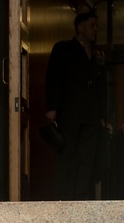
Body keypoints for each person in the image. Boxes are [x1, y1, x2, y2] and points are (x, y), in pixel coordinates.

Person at [45, 11, 108, 200]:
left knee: (87, 158)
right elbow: (54, 78)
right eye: (92, 25)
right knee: (68, 156)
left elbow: (101, 86)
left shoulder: (97, 54)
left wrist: (103, 115)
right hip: (69, 113)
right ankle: (64, 196)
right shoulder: (63, 49)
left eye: (97, 26)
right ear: (80, 27)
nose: (95, 30)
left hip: (91, 115)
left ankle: (82, 196)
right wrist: (52, 108)